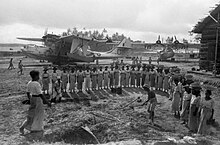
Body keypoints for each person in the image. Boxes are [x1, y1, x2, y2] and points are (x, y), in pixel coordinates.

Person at [19, 70, 51, 134]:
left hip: (33, 98)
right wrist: (47, 102)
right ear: (36, 76)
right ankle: (36, 128)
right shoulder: (37, 84)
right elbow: (40, 94)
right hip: (38, 99)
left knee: (32, 114)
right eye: (38, 75)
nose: (39, 77)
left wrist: (30, 99)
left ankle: (32, 127)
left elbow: (28, 92)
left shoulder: (29, 83)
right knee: (39, 113)